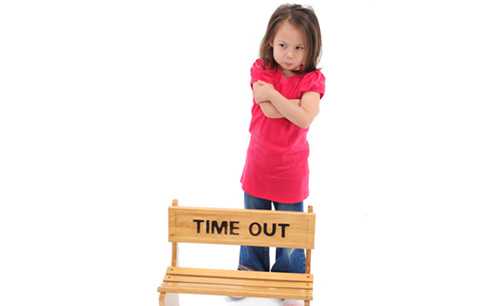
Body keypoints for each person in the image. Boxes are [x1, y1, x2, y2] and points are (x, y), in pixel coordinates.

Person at [235, 4, 325, 306]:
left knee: (289, 228)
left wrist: (274, 94)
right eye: (283, 45)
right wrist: (292, 105)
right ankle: (250, 271)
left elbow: (303, 118)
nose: (290, 54)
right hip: (259, 165)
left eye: (299, 48)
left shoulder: (312, 80)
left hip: (291, 170)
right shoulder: (261, 68)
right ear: (271, 40)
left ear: (311, 48)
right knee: (254, 223)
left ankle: (288, 281)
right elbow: (267, 110)